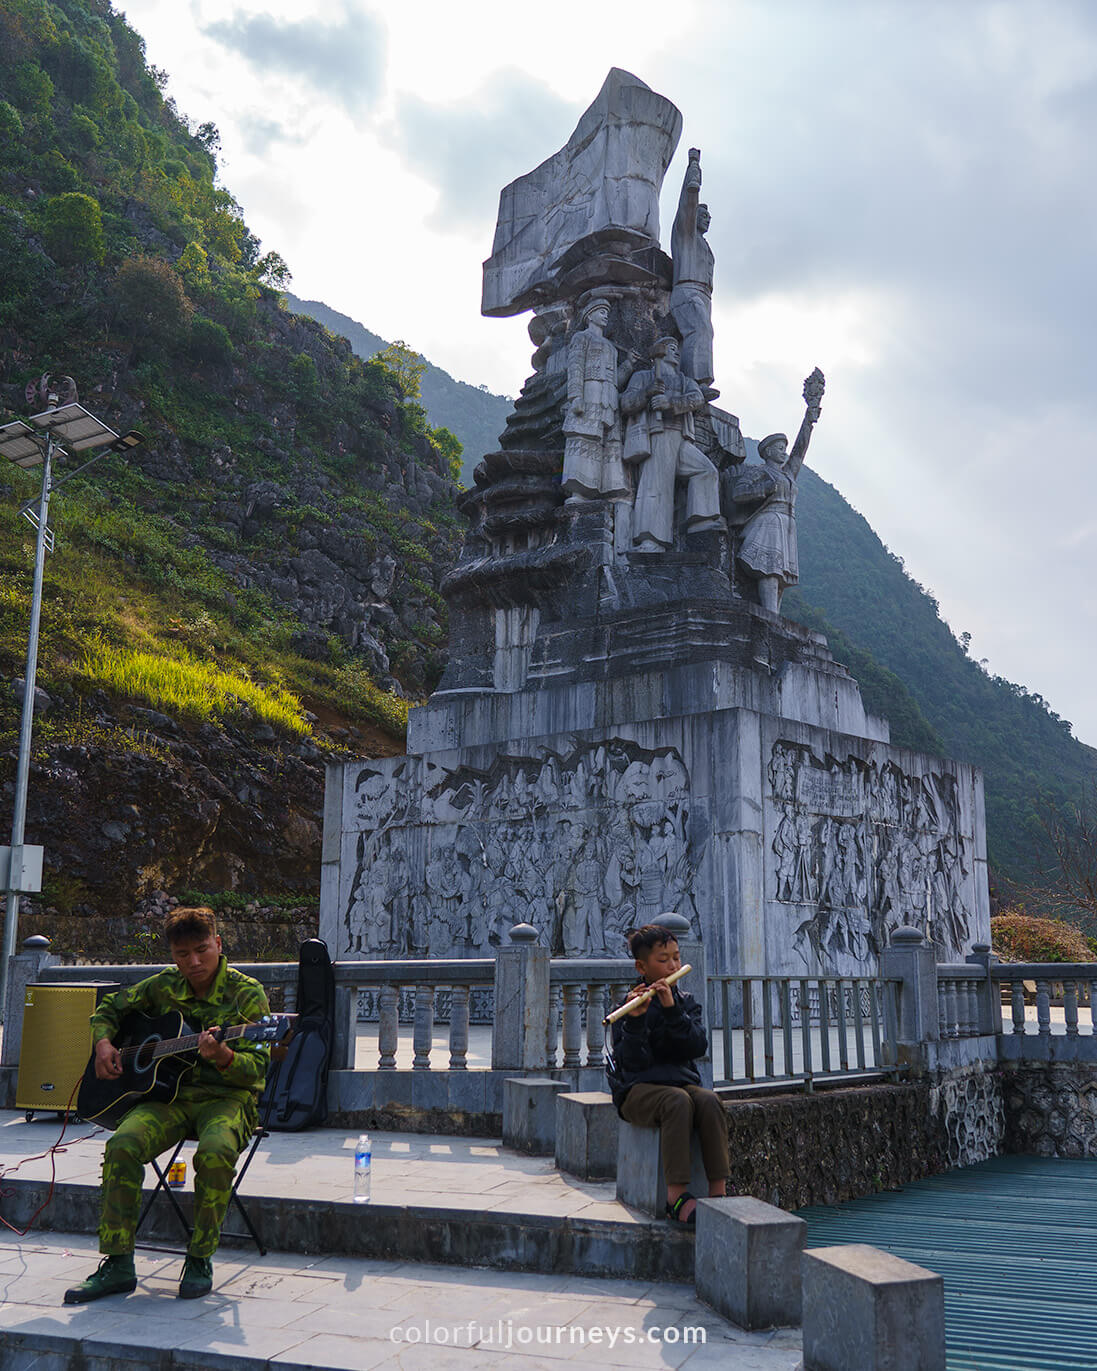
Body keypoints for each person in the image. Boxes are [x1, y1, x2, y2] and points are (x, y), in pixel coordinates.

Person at [64, 907, 271, 1304]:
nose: (193, 962)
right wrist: (104, 1042)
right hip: (167, 1099)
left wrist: (224, 1056)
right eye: (182, 954)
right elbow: (108, 1008)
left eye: (202, 950)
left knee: (215, 1153)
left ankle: (199, 1257)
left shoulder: (247, 994)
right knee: (122, 1145)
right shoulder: (163, 986)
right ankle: (118, 1262)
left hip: (225, 1099)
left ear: (218, 944)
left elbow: (255, 1070)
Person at [606, 925, 729, 1223]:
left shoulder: (685, 1002)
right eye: (663, 960)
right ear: (641, 966)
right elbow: (633, 1064)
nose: (673, 966)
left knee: (709, 1100)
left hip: (679, 1083)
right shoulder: (628, 1007)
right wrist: (635, 1021)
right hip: (637, 1092)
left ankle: (719, 1189)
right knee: (677, 1101)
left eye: (676, 958)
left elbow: (697, 1045)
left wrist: (672, 1010)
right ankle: (676, 1196)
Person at [621, 336, 723, 552]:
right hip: (657, 434)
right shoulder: (643, 377)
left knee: (706, 470)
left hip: (681, 436)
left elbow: (697, 399)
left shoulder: (685, 380)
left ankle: (700, 521)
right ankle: (650, 540)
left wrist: (670, 403)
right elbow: (626, 403)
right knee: (656, 486)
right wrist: (647, 393)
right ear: (660, 351)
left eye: (677, 349)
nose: (676, 352)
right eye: (671, 348)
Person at [670, 148, 716, 393]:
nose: (708, 218)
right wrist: (694, 167)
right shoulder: (685, 235)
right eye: (703, 214)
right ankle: (696, 384)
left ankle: (687, 380)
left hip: (704, 296)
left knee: (701, 335)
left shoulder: (705, 246)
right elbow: (688, 202)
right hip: (686, 290)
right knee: (701, 330)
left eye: (710, 216)